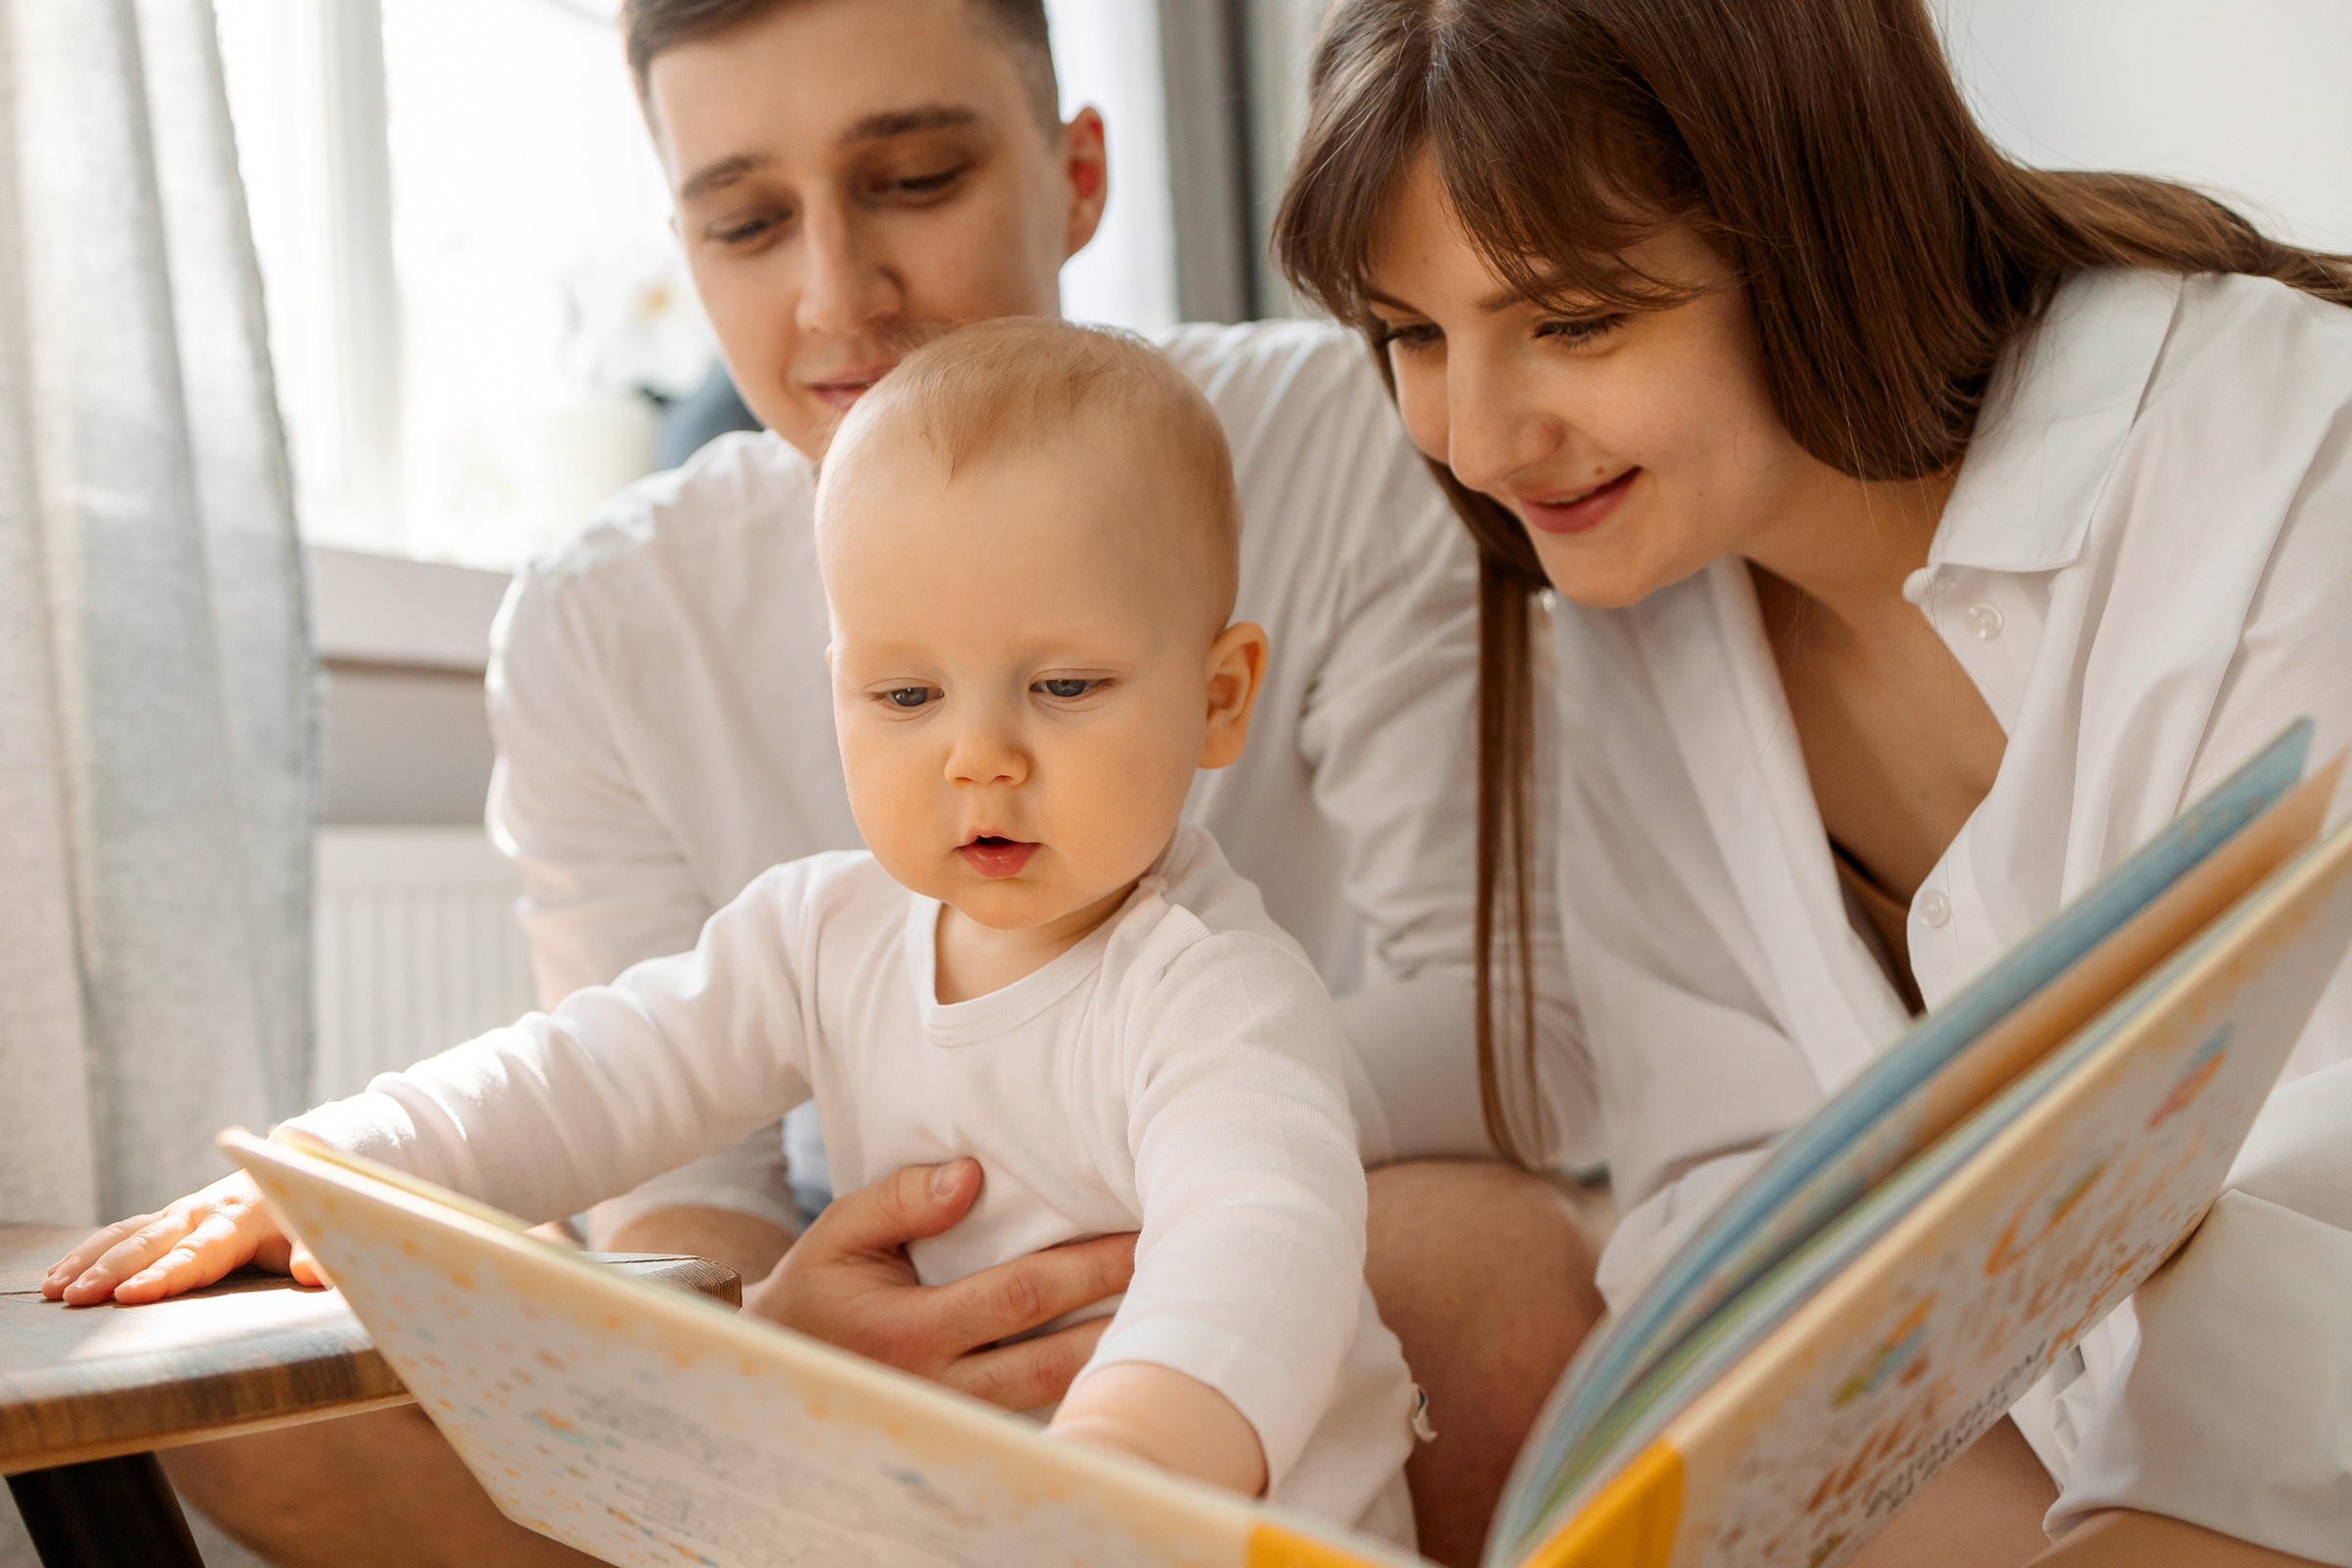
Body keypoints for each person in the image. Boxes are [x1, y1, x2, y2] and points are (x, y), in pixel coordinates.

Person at [1272, 1, 2352, 1565]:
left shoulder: (2279, 469)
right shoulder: (1652, 597)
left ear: (1817, 231)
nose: (1480, 439)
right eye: (1410, 337)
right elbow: (1755, 1254)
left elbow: (2310, 1278)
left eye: (1574, 322)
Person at [49, 319, 1421, 1542]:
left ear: (1220, 694)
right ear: (838, 686)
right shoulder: (824, 933)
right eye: (904, 697)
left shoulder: (1214, 996)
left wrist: (1112, 1478)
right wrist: (338, 1166)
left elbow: (1263, 1250)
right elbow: (586, 1072)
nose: (980, 758)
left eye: (1063, 685)